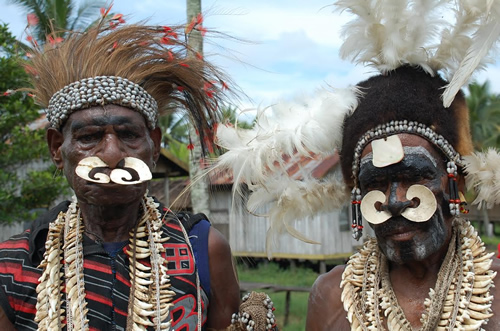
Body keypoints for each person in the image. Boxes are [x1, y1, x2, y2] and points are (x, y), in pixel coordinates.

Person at [211, 1, 500, 330]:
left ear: (453, 183)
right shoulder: (332, 298)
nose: (394, 201)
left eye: (416, 175)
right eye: (375, 183)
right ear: (356, 196)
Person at [0, 18, 242, 330]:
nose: (112, 155)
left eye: (129, 135)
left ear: (153, 146)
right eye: (89, 137)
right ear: (58, 149)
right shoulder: (14, 265)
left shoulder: (203, 249)